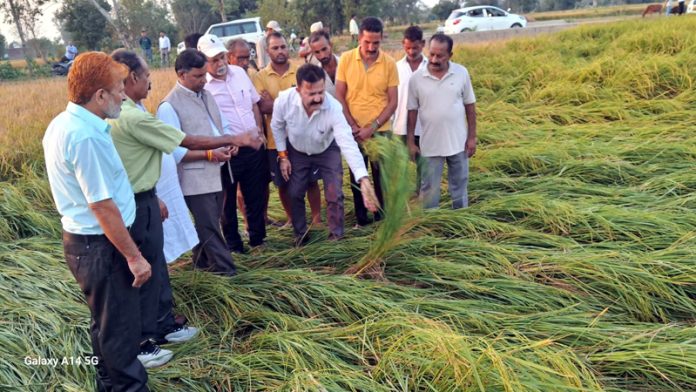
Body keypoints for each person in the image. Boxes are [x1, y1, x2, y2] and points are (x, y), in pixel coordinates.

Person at [42, 51, 150, 391]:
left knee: (105, 325)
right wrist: (134, 257)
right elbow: (102, 206)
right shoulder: (85, 136)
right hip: (102, 248)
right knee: (120, 333)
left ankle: (108, 384)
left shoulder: (65, 123)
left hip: (89, 245)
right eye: (118, 87)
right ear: (99, 94)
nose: (123, 93)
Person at [157, 49, 262, 275]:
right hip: (195, 179)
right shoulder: (168, 106)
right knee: (210, 228)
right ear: (181, 74)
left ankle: (201, 268)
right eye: (198, 76)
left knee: (208, 224)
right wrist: (208, 154)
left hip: (218, 171)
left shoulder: (206, 95)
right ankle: (228, 272)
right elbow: (173, 151)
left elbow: (222, 127)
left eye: (205, 75)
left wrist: (231, 143)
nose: (204, 80)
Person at [271, 64, 379, 244]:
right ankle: (300, 235)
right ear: (298, 90)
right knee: (295, 192)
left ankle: (336, 236)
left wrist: (364, 179)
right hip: (297, 150)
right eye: (311, 93)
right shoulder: (283, 101)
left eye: (320, 92)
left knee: (334, 193)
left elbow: (347, 144)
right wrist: (283, 156)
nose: (318, 98)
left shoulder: (333, 107)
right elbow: (277, 126)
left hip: (326, 149)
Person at [199, 34, 268, 253]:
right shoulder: (203, 88)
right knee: (227, 202)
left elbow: (254, 104)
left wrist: (259, 130)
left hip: (253, 147)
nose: (220, 64)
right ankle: (234, 245)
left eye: (222, 58)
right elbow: (205, 122)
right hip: (228, 152)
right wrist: (225, 143)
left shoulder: (239, 73)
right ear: (203, 62)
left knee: (255, 195)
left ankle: (258, 240)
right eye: (214, 60)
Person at [253, 32, 322, 228]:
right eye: (275, 48)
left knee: (311, 180)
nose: (280, 51)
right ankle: (292, 219)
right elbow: (261, 107)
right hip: (276, 140)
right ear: (268, 51)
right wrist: (292, 101)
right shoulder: (260, 76)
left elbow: (308, 101)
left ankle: (317, 219)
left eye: (283, 46)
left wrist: (274, 102)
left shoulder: (301, 70)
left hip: (302, 138)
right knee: (282, 184)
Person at [335, 16, 398, 226]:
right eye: (367, 42)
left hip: (380, 131)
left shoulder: (389, 63)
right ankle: (362, 220)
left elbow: (393, 102)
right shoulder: (345, 59)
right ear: (359, 39)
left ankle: (382, 217)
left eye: (376, 43)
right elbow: (340, 96)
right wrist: (353, 126)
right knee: (356, 176)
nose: (371, 47)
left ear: (381, 40)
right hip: (353, 131)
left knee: (381, 178)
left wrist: (372, 127)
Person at [407, 33, 477, 209]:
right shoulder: (416, 79)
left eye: (440, 55)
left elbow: (470, 106)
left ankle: (460, 220)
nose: (434, 59)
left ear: (450, 56)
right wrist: (410, 142)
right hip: (430, 146)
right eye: (431, 54)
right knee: (429, 190)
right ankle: (433, 226)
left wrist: (471, 137)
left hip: (458, 144)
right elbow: (411, 112)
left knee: (459, 186)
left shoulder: (461, 73)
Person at [393, 25, 427, 193]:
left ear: (423, 44)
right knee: (402, 164)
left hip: (424, 124)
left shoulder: (430, 67)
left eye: (415, 47)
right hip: (400, 125)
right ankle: (403, 197)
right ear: (402, 44)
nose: (412, 51)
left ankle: (421, 194)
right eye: (407, 47)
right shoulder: (396, 67)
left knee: (423, 162)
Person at [308, 30, 340, 97]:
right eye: (317, 52)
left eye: (324, 49)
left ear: (331, 45)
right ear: (313, 53)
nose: (322, 55)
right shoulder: (315, 76)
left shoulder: (346, 65)